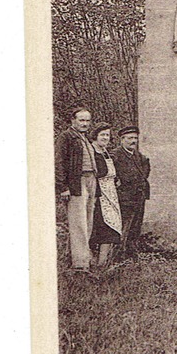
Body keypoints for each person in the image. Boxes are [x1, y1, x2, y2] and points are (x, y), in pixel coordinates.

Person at [55, 106, 97, 272]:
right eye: (81, 120)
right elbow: (59, 163)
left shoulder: (84, 138)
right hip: (76, 182)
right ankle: (80, 264)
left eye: (87, 120)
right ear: (73, 120)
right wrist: (63, 187)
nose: (85, 123)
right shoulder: (66, 137)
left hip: (90, 179)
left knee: (88, 220)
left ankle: (84, 257)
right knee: (78, 222)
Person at [112, 125, 150, 260]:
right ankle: (118, 257)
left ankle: (131, 256)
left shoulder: (139, 157)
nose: (133, 141)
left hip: (138, 197)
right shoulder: (115, 156)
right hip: (124, 198)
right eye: (130, 138)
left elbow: (145, 172)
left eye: (135, 138)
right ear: (122, 140)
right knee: (123, 228)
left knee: (135, 228)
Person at [89, 123, 122, 268]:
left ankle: (103, 263)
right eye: (102, 134)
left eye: (107, 135)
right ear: (95, 135)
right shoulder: (91, 152)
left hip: (110, 195)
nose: (105, 138)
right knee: (99, 227)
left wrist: (115, 179)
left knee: (110, 228)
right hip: (97, 195)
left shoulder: (105, 152)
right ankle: (92, 262)